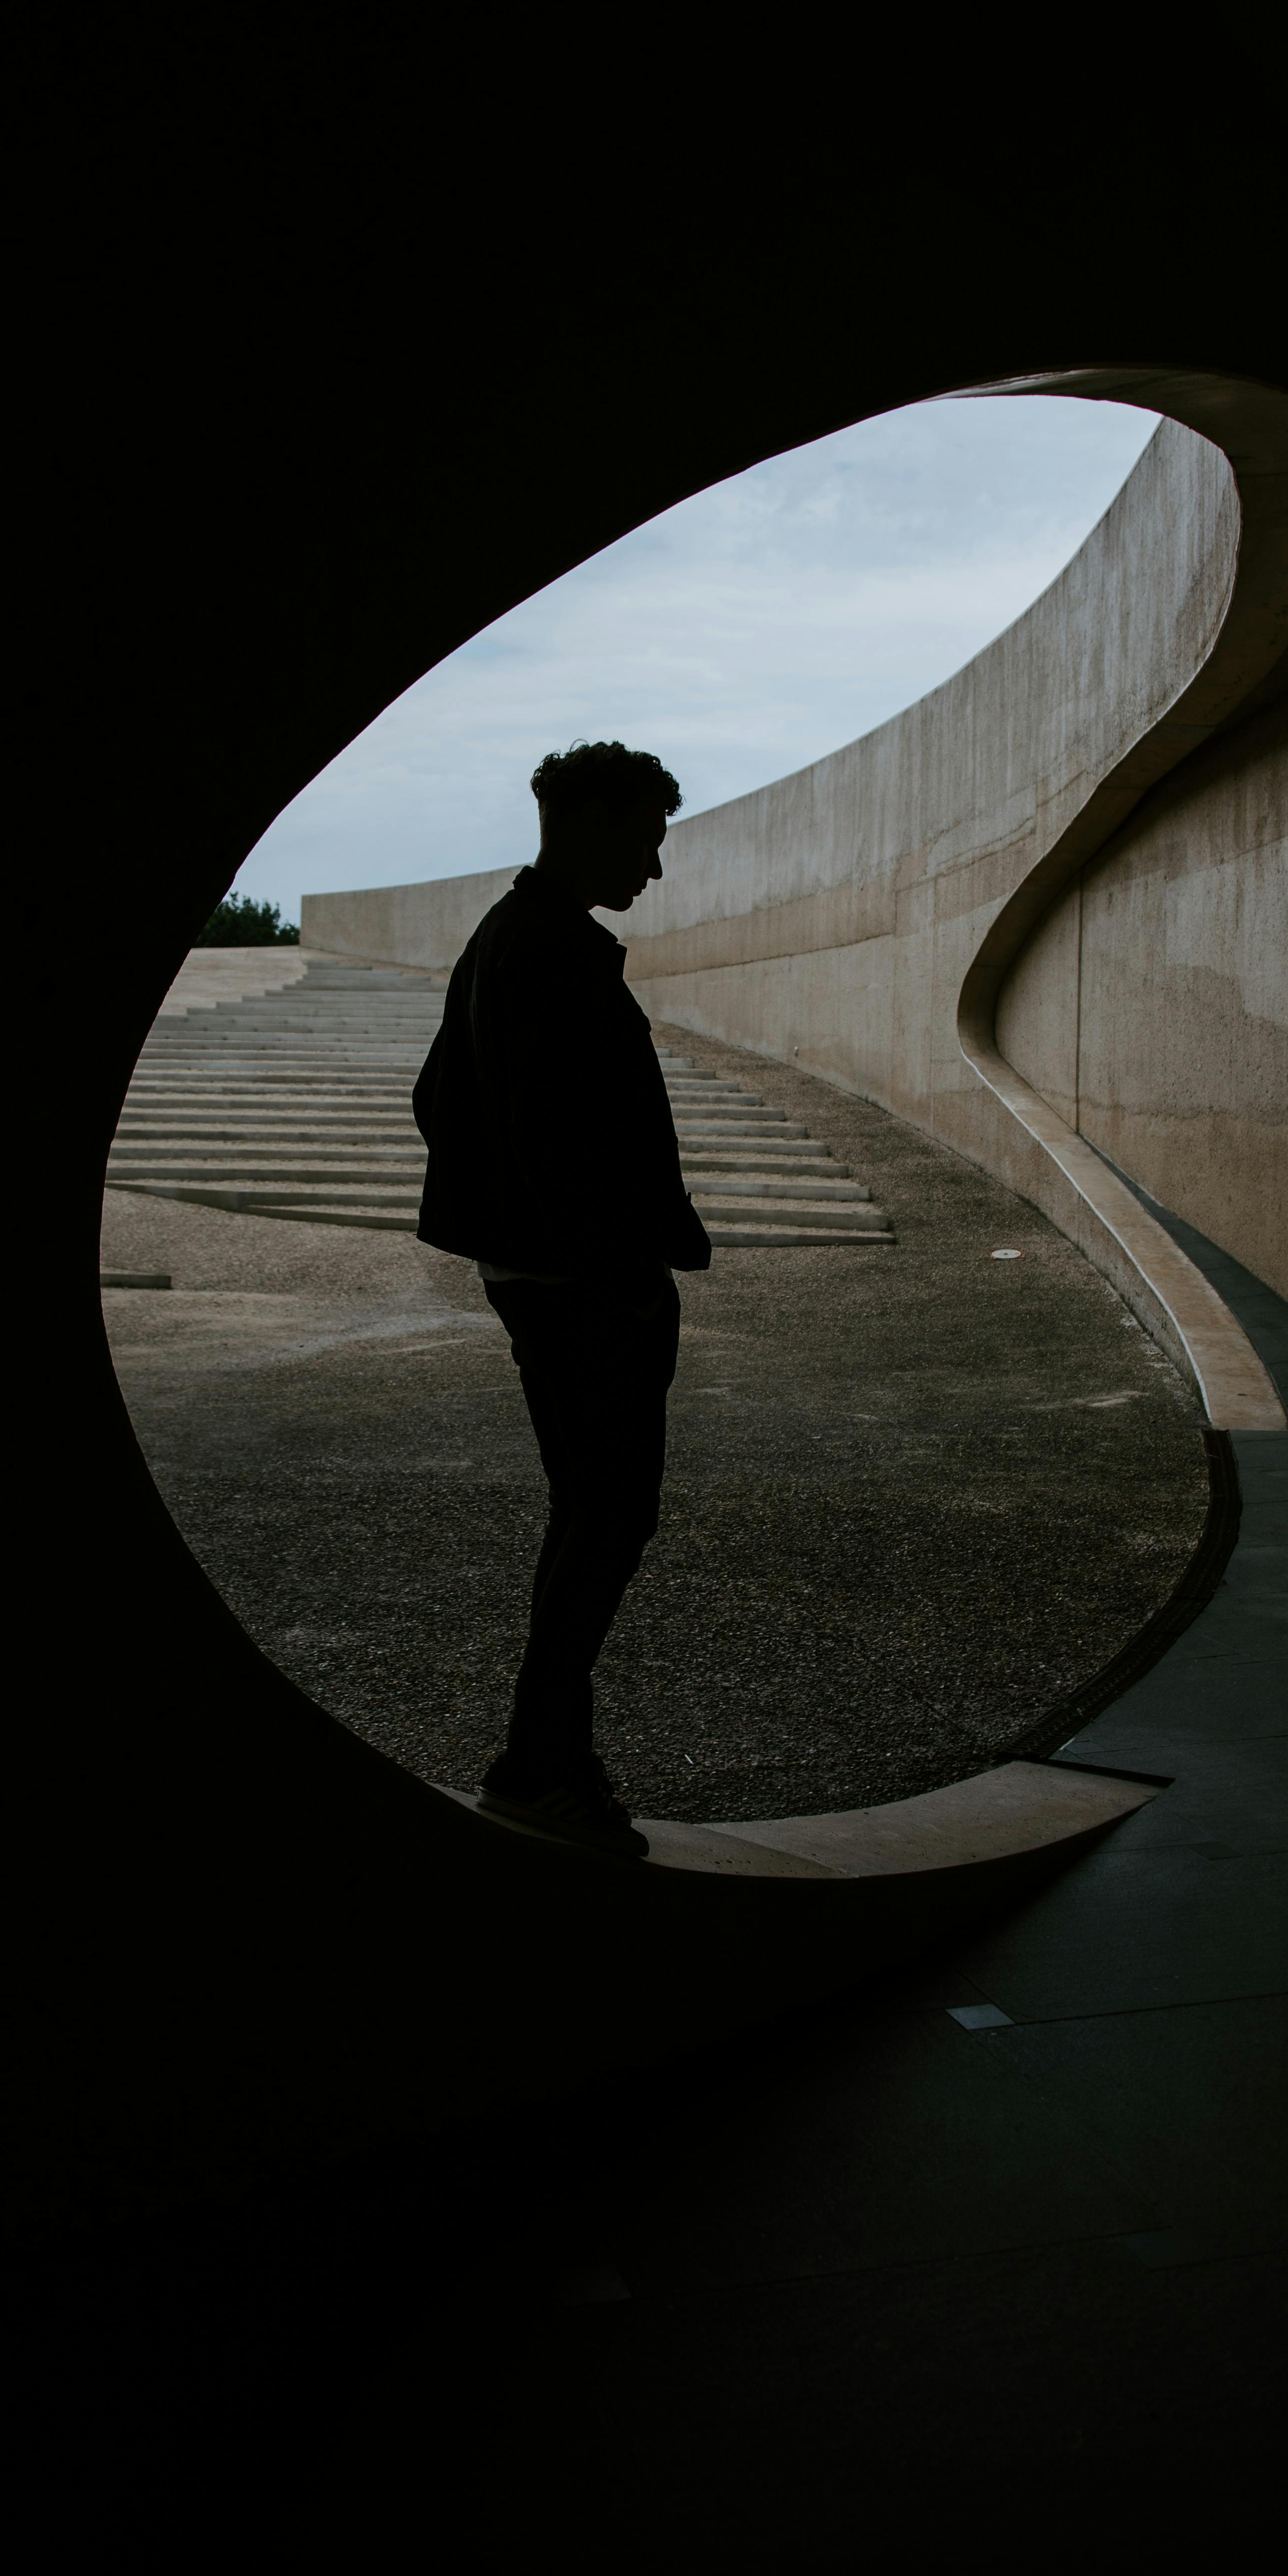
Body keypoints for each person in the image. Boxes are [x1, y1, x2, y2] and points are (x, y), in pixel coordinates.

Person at [412, 740, 711, 1857]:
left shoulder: (509, 936)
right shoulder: (548, 950)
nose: (654, 868)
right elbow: (554, 1136)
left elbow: (437, 1097)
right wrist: (612, 1274)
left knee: (591, 1513)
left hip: (546, 1275)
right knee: (609, 1517)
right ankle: (539, 1761)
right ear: (591, 825)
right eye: (646, 840)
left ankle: (548, 1755)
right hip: (581, 1288)